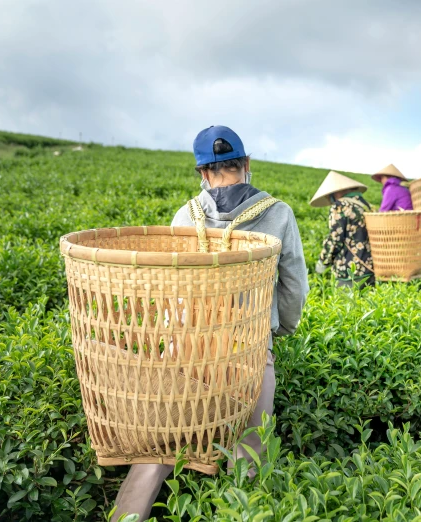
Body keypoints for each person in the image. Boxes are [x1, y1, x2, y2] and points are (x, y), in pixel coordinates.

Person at [110, 125, 309, 522]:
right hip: (247, 348)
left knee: (162, 439)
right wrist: (282, 328)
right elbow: (294, 286)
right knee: (250, 453)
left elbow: (173, 287)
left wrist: (171, 341)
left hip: (188, 346)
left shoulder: (186, 215)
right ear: (247, 165)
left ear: (202, 172)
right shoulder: (278, 214)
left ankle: (124, 517)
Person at [310, 171, 375, 287]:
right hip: (370, 267)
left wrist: (323, 260)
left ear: (337, 191)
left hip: (348, 269)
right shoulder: (366, 205)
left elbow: (335, 238)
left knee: (346, 304)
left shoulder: (340, 205)